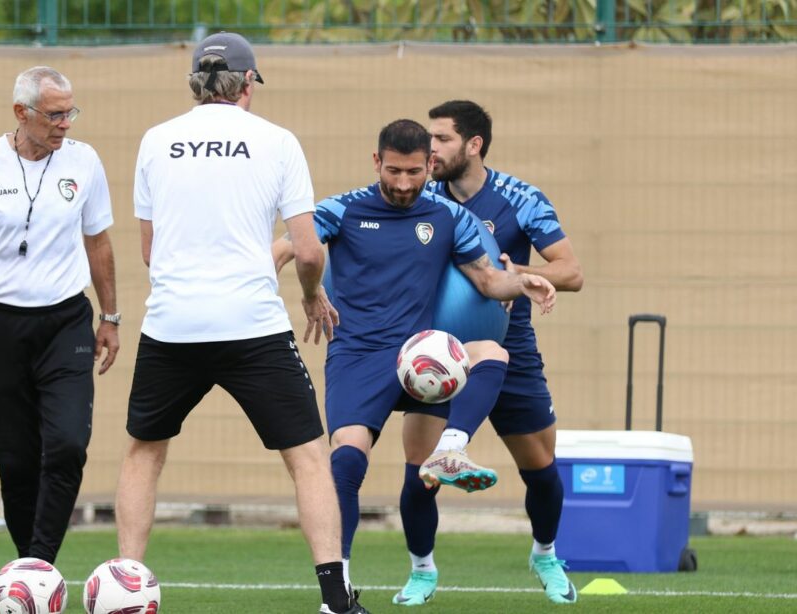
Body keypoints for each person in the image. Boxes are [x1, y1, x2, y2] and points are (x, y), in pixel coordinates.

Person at [115, 32, 367, 614]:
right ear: (248, 83)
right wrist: (310, 297)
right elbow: (309, 251)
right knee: (306, 457)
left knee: (144, 452)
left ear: (194, 85)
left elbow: (150, 251)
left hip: (172, 326)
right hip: (252, 325)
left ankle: (127, 591)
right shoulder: (277, 141)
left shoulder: (156, 141)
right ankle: (335, 600)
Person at [272, 119, 556, 607]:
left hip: (421, 356)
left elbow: (488, 280)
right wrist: (302, 291)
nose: (404, 184)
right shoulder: (342, 208)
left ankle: (451, 449)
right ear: (376, 161)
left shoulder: (448, 216)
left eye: (414, 173)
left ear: (430, 165)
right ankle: (334, 595)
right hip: (358, 353)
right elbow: (288, 249)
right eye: (394, 171)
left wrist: (525, 282)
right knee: (345, 458)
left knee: (492, 353)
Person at [0, 66, 119, 564]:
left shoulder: (84, 162)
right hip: (0, 327)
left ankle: (38, 563)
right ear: (22, 113)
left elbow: (99, 242)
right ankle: (31, 563)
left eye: (70, 113)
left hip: (66, 322)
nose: (66, 124)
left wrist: (111, 316)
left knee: (65, 445)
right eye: (55, 114)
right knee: (15, 460)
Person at [425, 99, 585, 604]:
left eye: (442, 139)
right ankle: (420, 569)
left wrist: (513, 276)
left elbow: (570, 270)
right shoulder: (420, 195)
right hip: (435, 348)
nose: (431, 149)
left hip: (508, 343)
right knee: (421, 465)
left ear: (474, 145)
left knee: (541, 467)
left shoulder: (520, 197)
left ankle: (544, 551)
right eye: (429, 138)